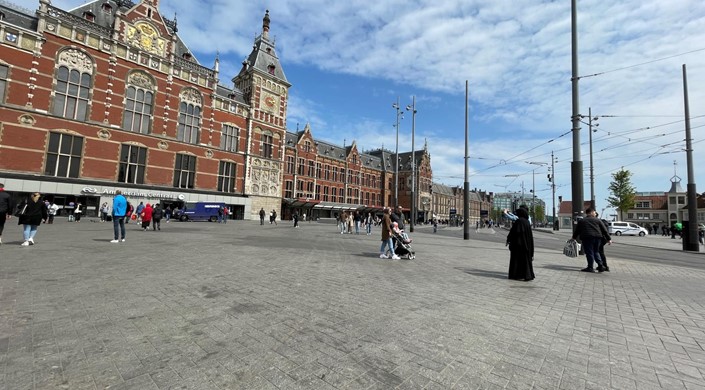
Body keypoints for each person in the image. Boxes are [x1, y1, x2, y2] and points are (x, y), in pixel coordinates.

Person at [572, 207, 611, 272]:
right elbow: (604, 230)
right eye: (594, 212)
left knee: (589, 252)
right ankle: (601, 265)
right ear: (591, 212)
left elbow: (577, 231)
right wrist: (608, 239)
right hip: (598, 238)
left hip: (587, 238)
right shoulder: (598, 220)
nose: (595, 214)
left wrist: (573, 238)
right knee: (596, 251)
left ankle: (590, 267)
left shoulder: (582, 221)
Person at [505, 207, 535, 281]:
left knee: (516, 261)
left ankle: (516, 275)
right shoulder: (527, 222)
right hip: (526, 246)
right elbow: (530, 237)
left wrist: (508, 240)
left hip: (518, 245)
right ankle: (527, 275)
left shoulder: (518, 222)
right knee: (525, 261)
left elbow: (513, 232)